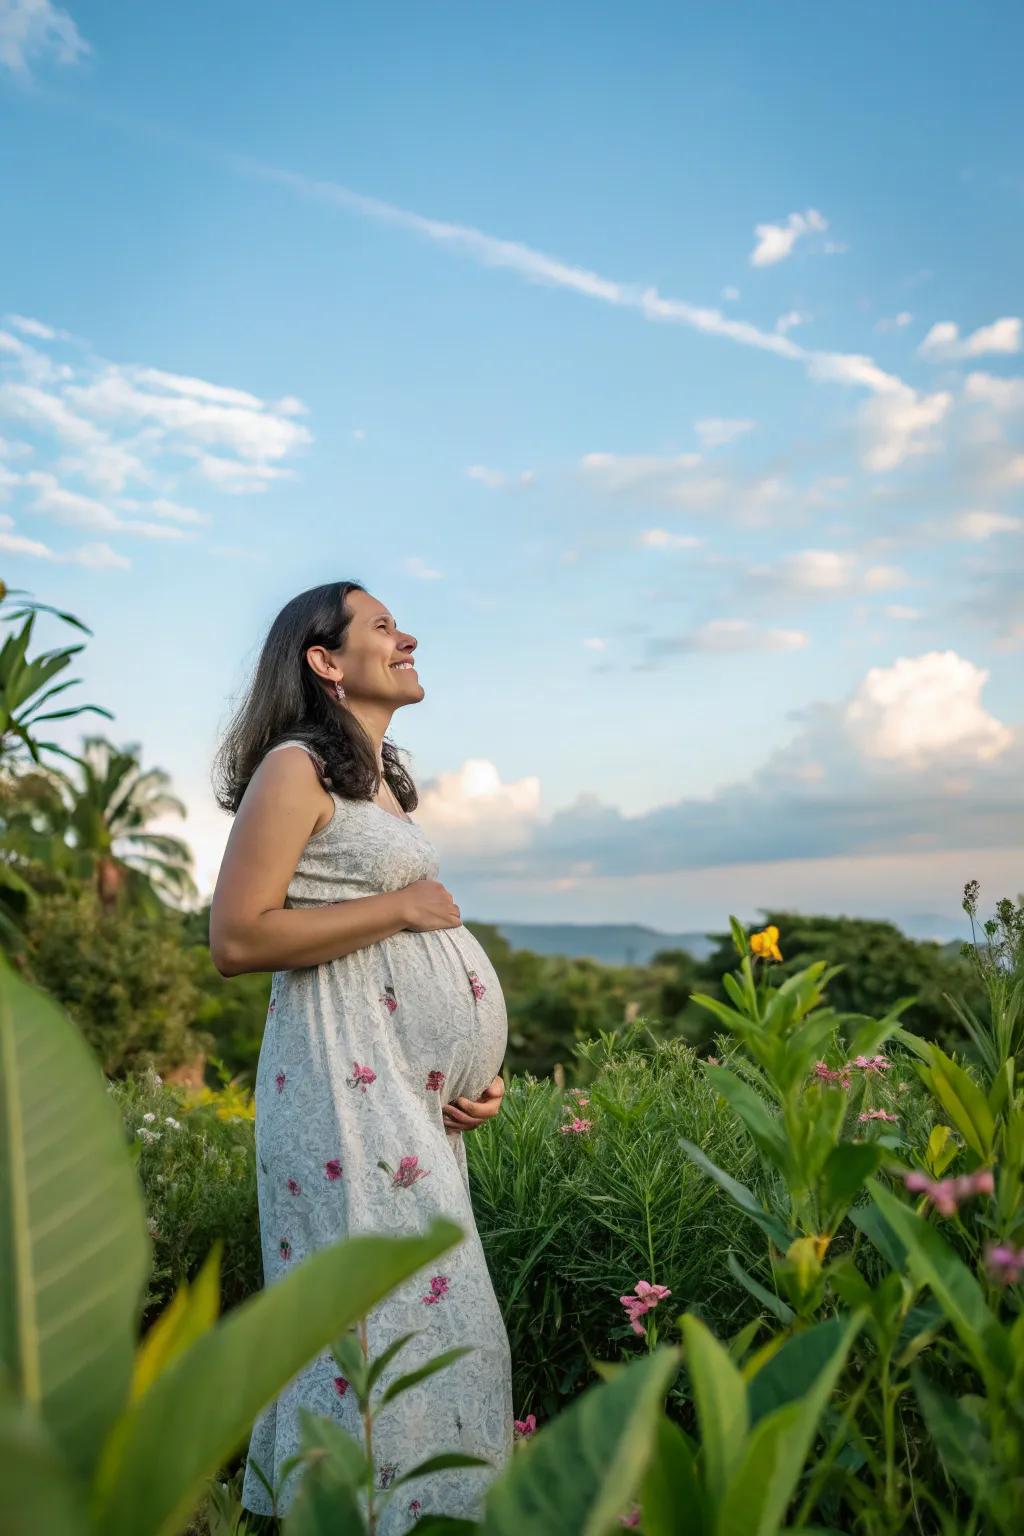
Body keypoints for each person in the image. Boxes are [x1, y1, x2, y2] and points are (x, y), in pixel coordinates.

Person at [209, 581, 513, 1530]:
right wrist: (403, 906)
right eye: (383, 626)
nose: (408, 634)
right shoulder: (294, 768)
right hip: (340, 1092)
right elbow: (238, 939)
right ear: (325, 661)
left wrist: (467, 1075)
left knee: (434, 1332)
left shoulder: (374, 779)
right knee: (386, 1331)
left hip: (406, 1105)